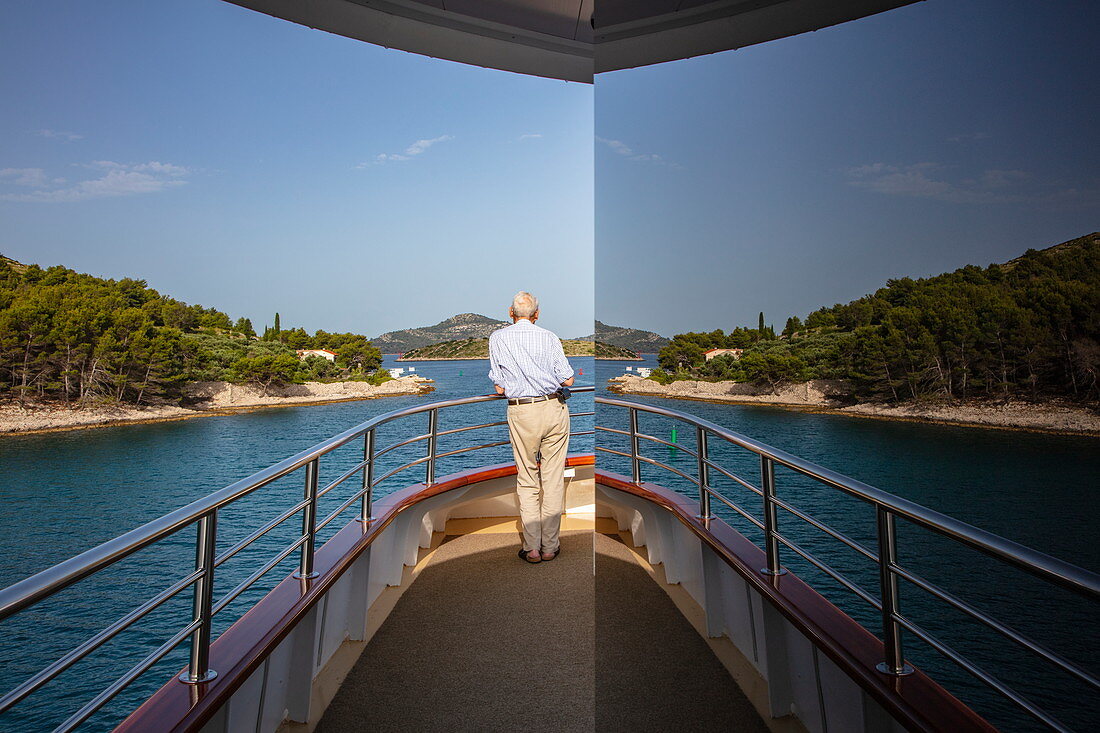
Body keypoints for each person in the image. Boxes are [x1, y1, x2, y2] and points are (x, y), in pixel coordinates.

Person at [488, 291, 575, 564]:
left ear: (510, 313)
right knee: (552, 478)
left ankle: (532, 548)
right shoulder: (549, 337)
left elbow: (499, 385)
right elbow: (568, 379)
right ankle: (550, 546)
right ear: (537, 314)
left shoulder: (498, 338)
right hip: (553, 409)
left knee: (527, 479)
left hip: (522, 411)